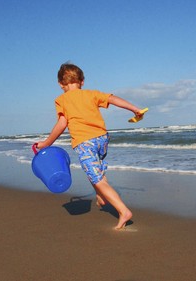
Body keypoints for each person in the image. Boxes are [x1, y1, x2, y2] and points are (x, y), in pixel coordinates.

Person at [36, 63, 145, 230]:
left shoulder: (61, 100)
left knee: (96, 177)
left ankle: (123, 211)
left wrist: (47, 143)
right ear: (82, 81)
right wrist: (135, 109)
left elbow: (62, 123)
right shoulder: (91, 94)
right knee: (96, 172)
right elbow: (112, 99)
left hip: (84, 142)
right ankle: (101, 197)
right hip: (102, 139)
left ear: (60, 84)